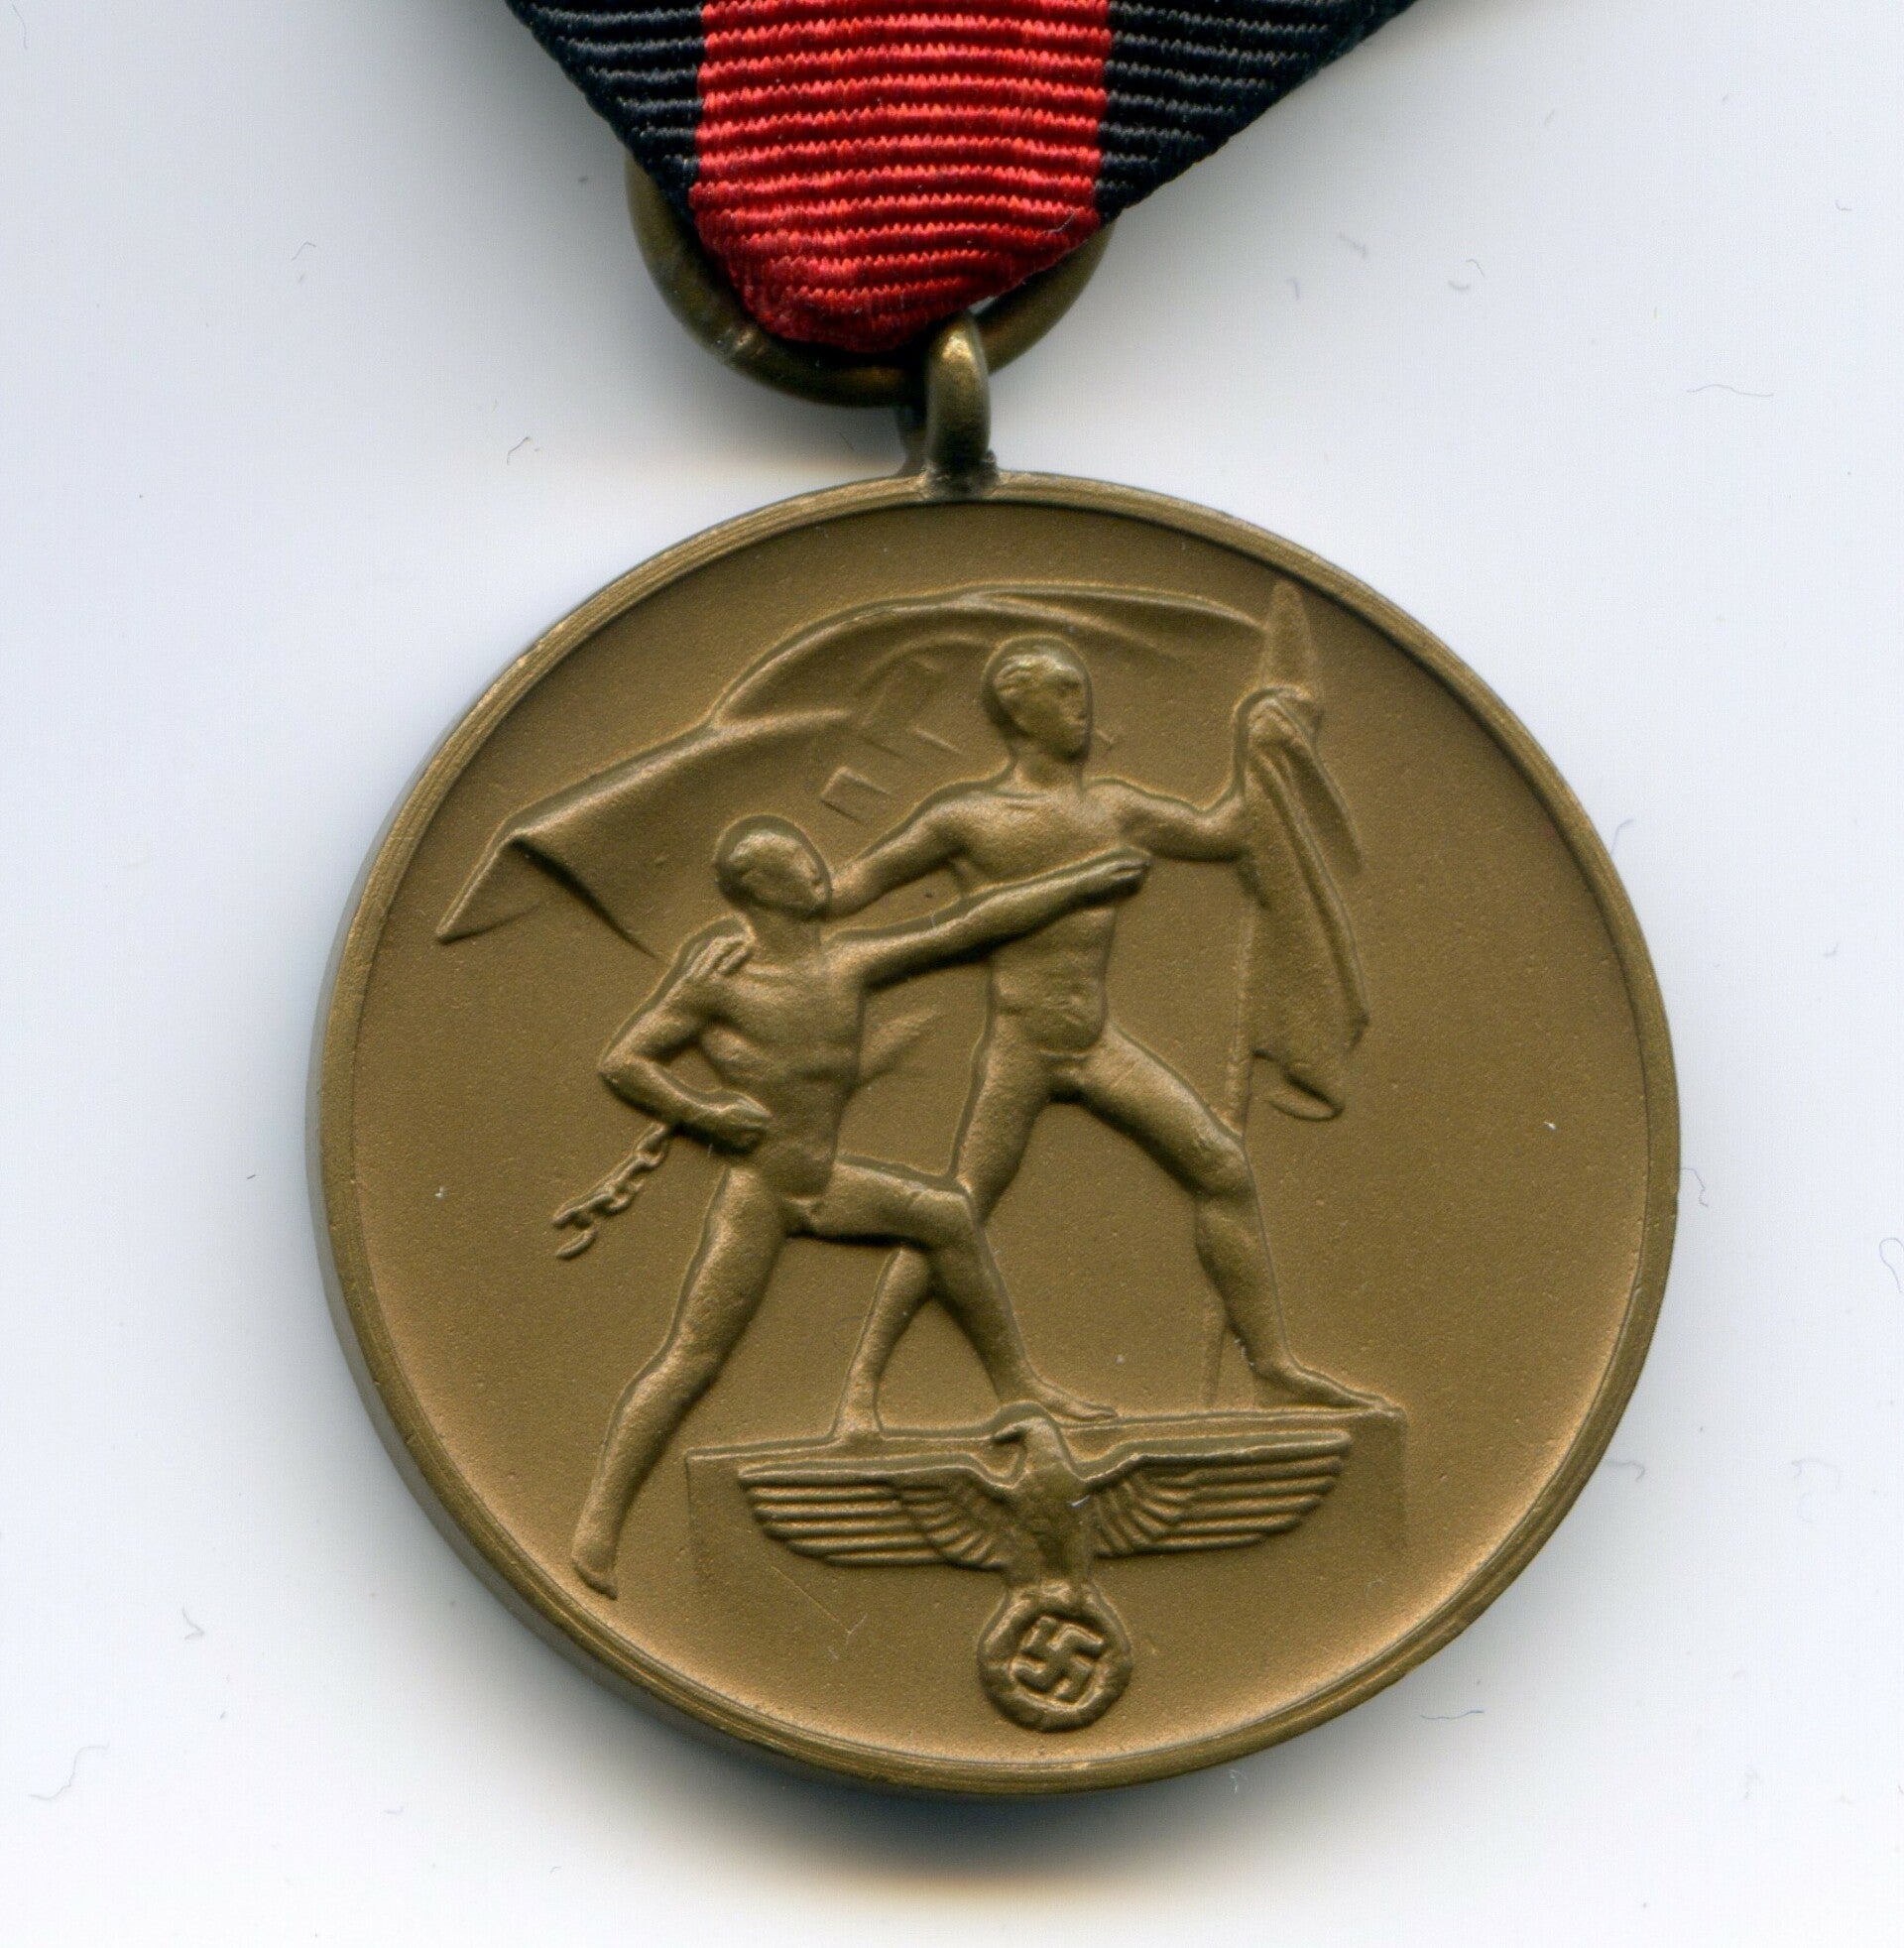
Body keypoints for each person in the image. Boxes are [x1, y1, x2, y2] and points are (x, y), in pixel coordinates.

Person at [570, 812, 1147, 1595]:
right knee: (693, 1359)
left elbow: (965, 927)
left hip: (824, 1183)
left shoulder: (847, 964)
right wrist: (703, 1112)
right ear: (761, 893)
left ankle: (1019, 1387)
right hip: (762, 1191)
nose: (816, 871)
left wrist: (1073, 885)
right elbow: (624, 1060)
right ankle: (598, 1526)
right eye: (795, 866)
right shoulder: (720, 982)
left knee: (945, 1214)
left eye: (812, 859)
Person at [826, 637, 1366, 1433]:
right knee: (953, 1214)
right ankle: (859, 1394)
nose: (1086, 710)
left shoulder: (1115, 808)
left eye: (1084, 692)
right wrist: (766, 910)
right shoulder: (966, 818)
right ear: (1022, 712)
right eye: (1068, 695)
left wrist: (1260, 741)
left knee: (1221, 1166)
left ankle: (1274, 1369)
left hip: (1095, 1041)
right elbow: (850, 886)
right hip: (1023, 1048)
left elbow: (1223, 832)